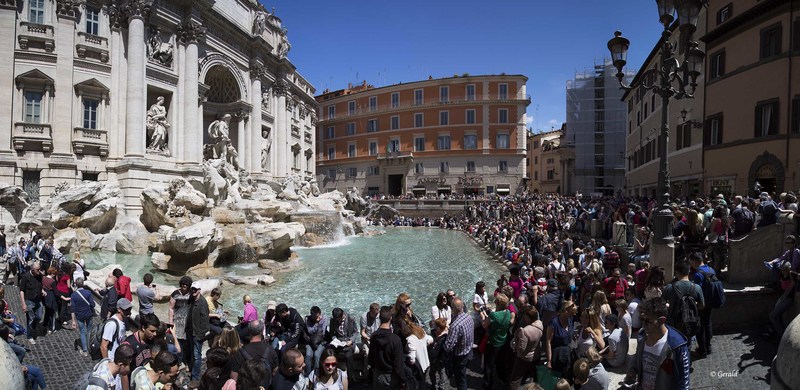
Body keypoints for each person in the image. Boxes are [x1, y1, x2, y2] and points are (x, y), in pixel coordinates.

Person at [624, 297, 691, 390]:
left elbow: (683, 383)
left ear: (661, 320)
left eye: (649, 321)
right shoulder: (642, 336)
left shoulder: (677, 346)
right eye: (641, 319)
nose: (643, 324)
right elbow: (637, 359)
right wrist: (633, 370)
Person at [230, 320, 278, 388]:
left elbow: (234, 377)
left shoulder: (241, 352)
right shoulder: (270, 350)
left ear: (249, 331)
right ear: (262, 331)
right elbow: (275, 371)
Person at [662, 260, 704, 339]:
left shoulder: (669, 287)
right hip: (690, 322)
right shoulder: (697, 288)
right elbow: (702, 305)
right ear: (689, 271)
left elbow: (661, 304)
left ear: (676, 272)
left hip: (673, 323)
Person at [368, 305, 406, 389]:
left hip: (378, 375)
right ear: (391, 318)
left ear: (380, 318)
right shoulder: (395, 339)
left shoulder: (373, 336)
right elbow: (398, 364)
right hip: (392, 377)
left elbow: (370, 359)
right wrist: (403, 380)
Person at [481, 293, 513, 389]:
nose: (494, 301)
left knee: (488, 365)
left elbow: (484, 325)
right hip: (503, 341)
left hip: (493, 343)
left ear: (498, 303)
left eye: (496, 301)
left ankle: (487, 384)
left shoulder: (494, 315)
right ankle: (502, 379)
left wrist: (483, 316)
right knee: (500, 362)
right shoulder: (508, 312)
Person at [510, 307, 543, 389]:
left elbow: (521, 349)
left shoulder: (525, 331)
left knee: (515, 380)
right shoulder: (540, 324)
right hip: (536, 356)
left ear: (528, 317)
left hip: (524, 358)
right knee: (533, 377)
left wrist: (515, 343)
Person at [545, 301, 577, 378]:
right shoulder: (554, 323)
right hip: (557, 356)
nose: (574, 314)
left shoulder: (570, 320)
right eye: (572, 312)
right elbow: (548, 341)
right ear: (566, 311)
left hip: (567, 355)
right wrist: (549, 360)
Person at [769, 261, 797, 339]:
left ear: (788, 269)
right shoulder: (781, 274)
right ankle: (778, 332)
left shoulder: (792, 274)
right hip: (781, 298)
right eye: (781, 269)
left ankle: (781, 335)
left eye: (784, 269)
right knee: (776, 316)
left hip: (788, 298)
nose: (783, 271)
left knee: (772, 316)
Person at [401, 319, 432, 390]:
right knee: (423, 381)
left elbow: (412, 359)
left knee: (418, 384)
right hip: (426, 362)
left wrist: (407, 361)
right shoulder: (421, 332)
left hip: (418, 367)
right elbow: (430, 339)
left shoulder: (410, 339)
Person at [187, 281, 209, 380]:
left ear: (199, 290)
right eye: (192, 289)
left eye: (195, 289)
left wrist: (200, 335)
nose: (193, 291)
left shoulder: (202, 302)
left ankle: (195, 377)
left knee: (197, 355)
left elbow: (205, 320)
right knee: (193, 352)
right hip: (191, 331)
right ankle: (192, 370)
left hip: (197, 334)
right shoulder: (192, 299)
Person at [19, 260, 44, 344]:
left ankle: (32, 327)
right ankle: (29, 336)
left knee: (39, 317)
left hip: (38, 299)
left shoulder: (40, 276)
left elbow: (40, 286)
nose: (39, 271)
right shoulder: (26, 277)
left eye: (39, 269)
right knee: (30, 319)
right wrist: (23, 304)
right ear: (32, 270)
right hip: (29, 300)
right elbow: (21, 290)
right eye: (37, 269)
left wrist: (43, 291)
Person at [326, 307, 358, 371]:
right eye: (336, 320)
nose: (338, 321)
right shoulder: (332, 320)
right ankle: (332, 372)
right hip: (338, 342)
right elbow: (332, 333)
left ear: (343, 315)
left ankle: (351, 376)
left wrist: (351, 340)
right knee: (329, 354)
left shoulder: (351, 319)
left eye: (339, 319)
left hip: (348, 342)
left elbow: (356, 332)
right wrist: (334, 339)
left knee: (348, 356)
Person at [168, 276, 192, 364]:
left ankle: (186, 360)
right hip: (177, 320)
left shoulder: (191, 293)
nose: (184, 285)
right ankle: (179, 360)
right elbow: (171, 308)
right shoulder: (175, 293)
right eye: (182, 284)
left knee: (187, 340)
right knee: (178, 339)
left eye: (186, 284)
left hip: (187, 320)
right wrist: (170, 322)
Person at [70, 277, 95, 357]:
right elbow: (92, 304)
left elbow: (72, 309)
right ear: (83, 283)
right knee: (89, 330)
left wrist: (73, 321)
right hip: (89, 314)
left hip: (79, 316)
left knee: (82, 332)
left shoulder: (73, 295)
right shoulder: (88, 292)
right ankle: (90, 347)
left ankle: (85, 350)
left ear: (76, 284)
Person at [305, 306, 328, 376]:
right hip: (310, 342)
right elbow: (310, 331)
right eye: (314, 316)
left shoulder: (324, 319)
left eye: (317, 316)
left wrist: (318, 326)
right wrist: (317, 324)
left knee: (317, 355)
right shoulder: (307, 319)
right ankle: (308, 375)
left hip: (321, 341)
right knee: (308, 355)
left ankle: (316, 374)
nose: (316, 318)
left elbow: (323, 332)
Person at [428, 318, 448, 390]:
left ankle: (436, 386)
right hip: (441, 360)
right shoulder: (445, 335)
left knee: (433, 373)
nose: (434, 328)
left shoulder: (442, 339)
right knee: (441, 373)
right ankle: (440, 386)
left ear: (439, 328)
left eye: (435, 326)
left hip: (437, 360)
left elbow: (436, 351)